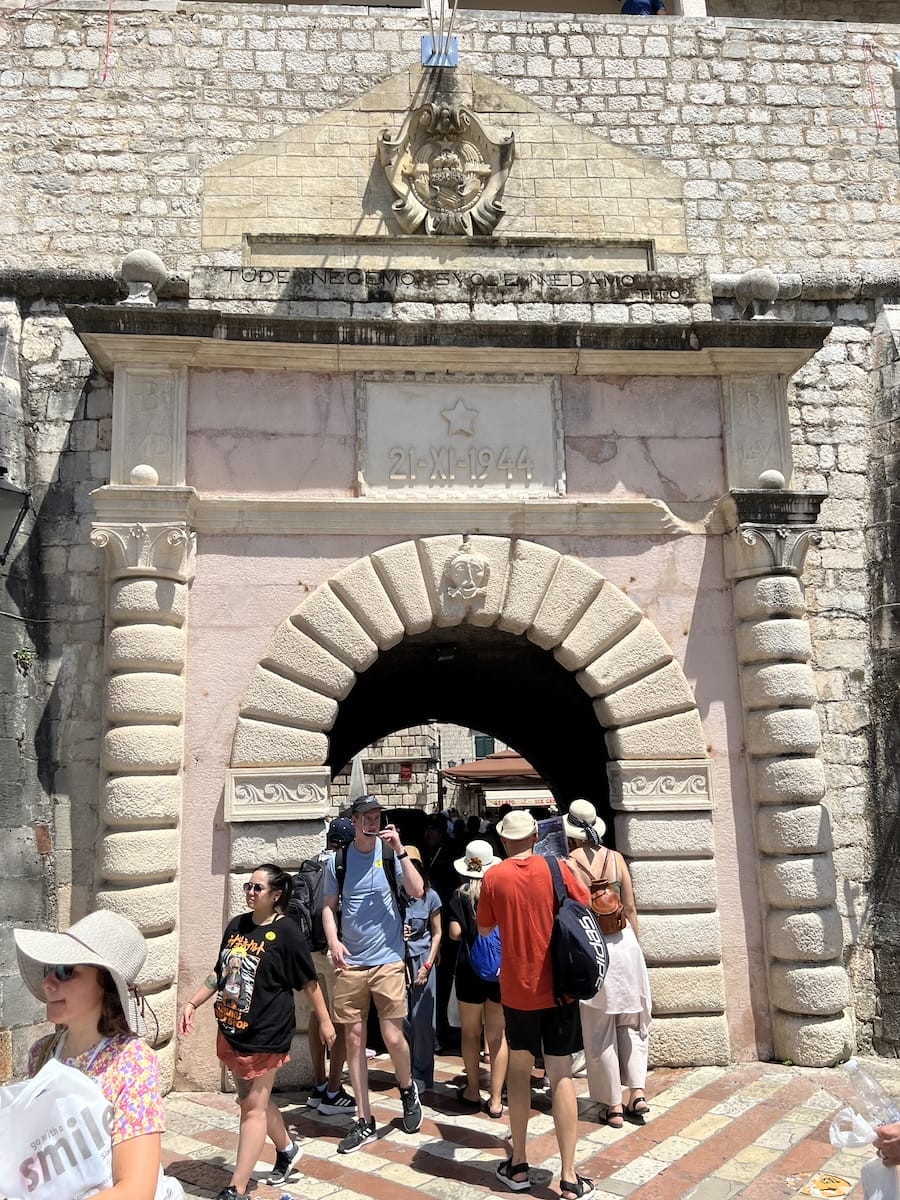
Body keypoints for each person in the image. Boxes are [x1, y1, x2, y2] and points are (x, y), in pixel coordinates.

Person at [179, 863, 336, 1200]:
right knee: (252, 1102)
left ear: (275, 895)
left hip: (268, 1031)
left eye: (257, 888)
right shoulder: (237, 925)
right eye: (248, 886)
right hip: (233, 1028)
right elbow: (219, 971)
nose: (250, 892)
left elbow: (308, 981)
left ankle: (236, 1187)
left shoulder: (287, 932)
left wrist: (324, 1021)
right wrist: (193, 1003)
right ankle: (288, 1149)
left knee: (251, 1107)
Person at [478, 810, 595, 1200]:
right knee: (561, 1075)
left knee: (518, 1074)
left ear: (503, 841)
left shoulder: (493, 876)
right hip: (560, 989)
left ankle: (520, 1164)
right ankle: (569, 1176)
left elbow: (484, 928)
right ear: (534, 837)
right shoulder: (558, 868)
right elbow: (585, 906)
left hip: (518, 990)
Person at [14, 909, 165, 1200]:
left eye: (66, 971)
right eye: (50, 968)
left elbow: (135, 1190)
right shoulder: (41, 1053)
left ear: (106, 985)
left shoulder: (131, 1062)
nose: (48, 983)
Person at [322, 794, 425, 1153]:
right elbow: (328, 908)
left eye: (376, 815)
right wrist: (333, 940)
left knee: (394, 1037)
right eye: (365, 815)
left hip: (388, 959)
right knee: (353, 1040)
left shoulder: (389, 854)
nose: (372, 821)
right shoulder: (338, 861)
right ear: (353, 821)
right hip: (351, 962)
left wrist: (400, 851)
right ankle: (364, 1119)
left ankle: (407, 1087)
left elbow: (417, 890)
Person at [564, 799, 652, 1128]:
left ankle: (612, 1105)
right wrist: (636, 948)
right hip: (626, 946)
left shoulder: (567, 863)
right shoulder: (615, 859)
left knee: (599, 1030)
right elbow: (630, 908)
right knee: (631, 1022)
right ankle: (638, 1093)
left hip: (594, 952)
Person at [447, 838, 508, 1119]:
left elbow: (455, 934)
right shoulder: (502, 891)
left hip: (469, 969)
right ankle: (496, 1099)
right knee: (497, 1037)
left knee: (470, 1034)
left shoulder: (459, 896)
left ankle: (473, 1090)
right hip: (499, 972)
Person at [307, 815, 357, 1116]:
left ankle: (318, 1084)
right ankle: (334, 1090)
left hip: (310, 949)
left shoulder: (312, 862)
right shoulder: (344, 863)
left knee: (318, 1013)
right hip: (336, 948)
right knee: (340, 1018)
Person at [401, 846, 442, 1093]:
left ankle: (422, 1073)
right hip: (398, 962)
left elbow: (437, 933)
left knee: (423, 1020)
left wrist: (428, 965)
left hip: (423, 961)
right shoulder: (394, 896)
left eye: (413, 866)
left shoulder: (431, 896)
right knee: (402, 1019)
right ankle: (405, 1069)